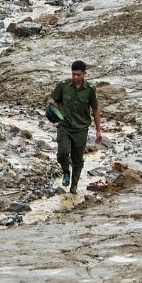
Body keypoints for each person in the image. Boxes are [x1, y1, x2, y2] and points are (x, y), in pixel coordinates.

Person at [48, 60, 101, 195]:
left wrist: (98, 130)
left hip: (81, 128)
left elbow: (95, 109)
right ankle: (66, 171)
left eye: (79, 74)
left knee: (77, 159)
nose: (76, 77)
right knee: (62, 153)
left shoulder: (90, 89)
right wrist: (54, 113)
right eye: (73, 74)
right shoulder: (64, 85)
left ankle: (74, 185)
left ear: (84, 74)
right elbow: (55, 101)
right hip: (64, 125)